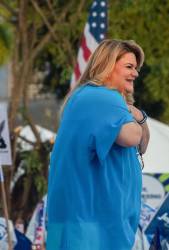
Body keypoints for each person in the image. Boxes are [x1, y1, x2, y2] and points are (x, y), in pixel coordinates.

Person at [46, 39, 150, 250]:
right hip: (91, 228)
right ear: (108, 65)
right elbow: (133, 137)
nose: (135, 74)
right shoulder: (101, 96)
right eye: (129, 67)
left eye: (136, 68)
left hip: (93, 225)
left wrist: (136, 115)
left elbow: (142, 145)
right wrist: (136, 115)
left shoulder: (93, 97)